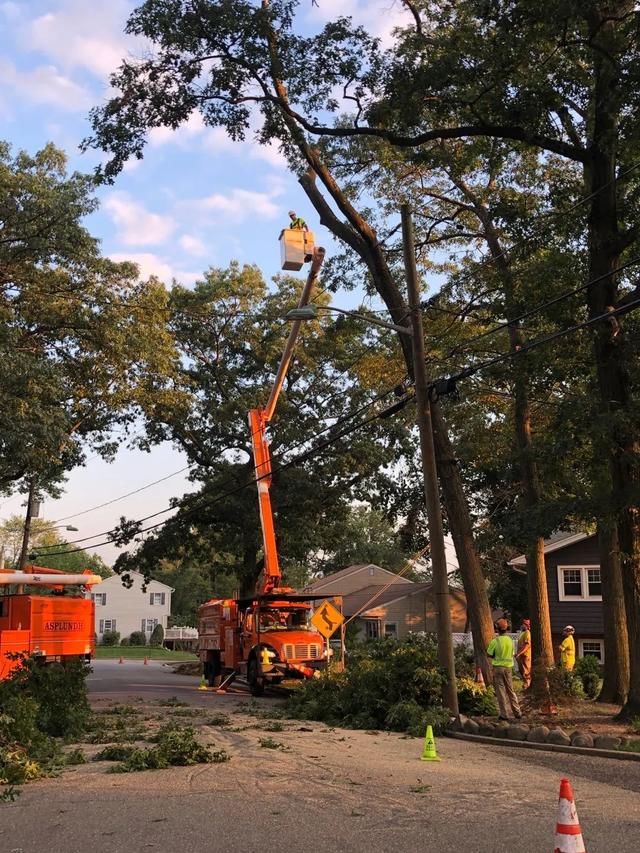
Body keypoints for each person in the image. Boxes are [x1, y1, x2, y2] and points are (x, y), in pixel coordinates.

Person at [487, 618, 522, 721]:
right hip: (508, 668)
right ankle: (517, 712)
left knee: (501, 691)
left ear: (497, 629)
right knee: (511, 691)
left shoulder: (495, 641)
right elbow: (511, 653)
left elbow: (489, 654)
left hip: (498, 668)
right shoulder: (510, 641)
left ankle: (504, 714)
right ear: (507, 629)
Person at [515, 618, 532, 689]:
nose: (522, 625)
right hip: (522, 655)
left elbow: (527, 645)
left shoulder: (527, 633)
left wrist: (520, 653)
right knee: (522, 670)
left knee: (526, 670)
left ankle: (527, 685)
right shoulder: (523, 633)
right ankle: (525, 684)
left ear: (527, 625)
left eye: (524, 624)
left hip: (526, 655)